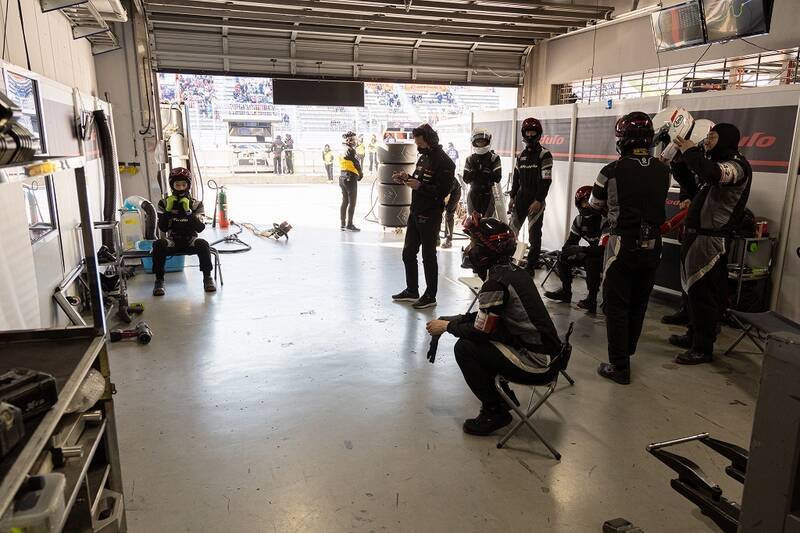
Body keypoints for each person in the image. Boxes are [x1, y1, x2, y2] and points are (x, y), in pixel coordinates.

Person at [425, 214, 562, 435]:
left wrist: (447, 328)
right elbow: (488, 318)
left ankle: (495, 411)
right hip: (549, 355)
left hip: (538, 362)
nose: (469, 249)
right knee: (476, 344)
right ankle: (502, 399)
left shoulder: (495, 283)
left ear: (485, 251)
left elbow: (481, 332)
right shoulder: (512, 272)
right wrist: (452, 320)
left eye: (473, 243)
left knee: (465, 348)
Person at [591, 112, 670, 385]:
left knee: (616, 305)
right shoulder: (663, 169)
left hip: (622, 243)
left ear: (622, 139)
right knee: (639, 302)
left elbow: (594, 203)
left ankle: (619, 366)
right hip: (653, 245)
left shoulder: (611, 170)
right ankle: (628, 351)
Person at [668, 124, 752, 365]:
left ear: (726, 139)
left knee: (704, 295)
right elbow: (692, 186)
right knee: (692, 292)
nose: (706, 141)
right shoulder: (712, 164)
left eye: (712, 137)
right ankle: (693, 335)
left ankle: (703, 348)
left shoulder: (737, 166)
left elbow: (713, 174)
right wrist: (679, 161)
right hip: (696, 238)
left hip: (712, 240)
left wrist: (691, 152)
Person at [391, 123, 455, 309]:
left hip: (430, 213)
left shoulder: (445, 162)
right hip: (416, 210)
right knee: (408, 253)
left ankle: (430, 295)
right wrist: (406, 177)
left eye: (419, 142)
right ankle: (412, 290)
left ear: (429, 140)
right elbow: (419, 180)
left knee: (428, 256)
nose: (417, 146)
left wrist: (420, 186)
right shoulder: (423, 157)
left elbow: (442, 191)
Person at [152, 167, 216, 296]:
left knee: (203, 244)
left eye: (183, 184)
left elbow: (200, 228)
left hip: (190, 239)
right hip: (172, 239)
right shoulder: (163, 203)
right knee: (158, 244)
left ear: (188, 185)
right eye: (177, 185)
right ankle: (159, 281)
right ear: (172, 185)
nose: (180, 188)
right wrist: (168, 211)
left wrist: (188, 212)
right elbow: (163, 228)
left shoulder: (196, 204)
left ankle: (207, 278)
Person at [543, 186, 605, 314]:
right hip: (591, 252)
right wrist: (570, 251)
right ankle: (566, 293)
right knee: (562, 256)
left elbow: (603, 249)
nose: (586, 205)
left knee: (592, 260)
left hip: (605, 257)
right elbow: (569, 244)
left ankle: (592, 299)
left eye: (588, 202)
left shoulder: (605, 220)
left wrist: (581, 249)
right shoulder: (579, 220)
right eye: (583, 202)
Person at [509, 117, 553, 273]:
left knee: (534, 235)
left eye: (532, 132)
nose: (529, 135)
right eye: (527, 132)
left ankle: (531, 266)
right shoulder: (520, 156)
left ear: (538, 134)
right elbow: (516, 178)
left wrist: (539, 200)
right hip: (521, 198)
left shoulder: (545, 154)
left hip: (536, 200)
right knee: (511, 232)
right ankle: (506, 261)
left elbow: (546, 180)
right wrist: (512, 197)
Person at [463, 129, 502, 218]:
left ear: (487, 141)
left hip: (488, 194)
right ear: (474, 142)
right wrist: (475, 171)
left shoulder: (494, 158)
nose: (480, 143)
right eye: (478, 141)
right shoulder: (469, 159)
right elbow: (466, 179)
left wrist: (486, 172)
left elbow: (498, 178)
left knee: (487, 220)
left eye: (482, 141)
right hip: (473, 194)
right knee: (472, 222)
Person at [339, 131, 363, 232]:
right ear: (349, 140)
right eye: (353, 139)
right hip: (350, 177)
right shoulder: (350, 150)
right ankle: (349, 224)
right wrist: (361, 174)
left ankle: (343, 224)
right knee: (352, 202)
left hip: (342, 176)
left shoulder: (341, 149)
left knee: (345, 201)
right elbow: (356, 163)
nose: (355, 141)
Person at [441, 175, 462, 249]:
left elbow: (444, 192)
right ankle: (436, 238)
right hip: (442, 191)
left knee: (449, 214)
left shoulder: (446, 174)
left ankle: (448, 239)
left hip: (455, 191)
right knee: (436, 213)